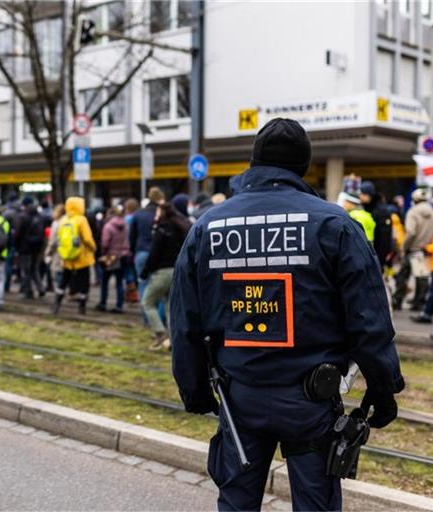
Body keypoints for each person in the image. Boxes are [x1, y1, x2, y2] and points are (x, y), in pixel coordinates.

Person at [170, 119, 404, 512]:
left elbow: (185, 321)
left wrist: (193, 388)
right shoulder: (334, 224)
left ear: (254, 162)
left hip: (238, 394)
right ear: (303, 167)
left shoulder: (208, 226)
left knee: (236, 502)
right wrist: (383, 387)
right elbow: (369, 321)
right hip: (310, 401)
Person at [140, 202, 190, 350]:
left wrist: (144, 272)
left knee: (147, 302)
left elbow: (154, 254)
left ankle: (160, 333)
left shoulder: (161, 230)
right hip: (176, 271)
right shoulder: (181, 228)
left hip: (162, 272)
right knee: (170, 307)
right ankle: (174, 339)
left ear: (162, 213)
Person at [391, 189, 433, 311]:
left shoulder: (412, 212)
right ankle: (419, 302)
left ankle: (398, 300)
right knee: (422, 277)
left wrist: (404, 247)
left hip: (412, 249)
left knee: (403, 276)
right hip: (425, 249)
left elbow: (411, 232)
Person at [52, 197, 97, 315]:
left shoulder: (63, 220)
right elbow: (87, 238)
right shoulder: (81, 220)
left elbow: (59, 238)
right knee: (84, 281)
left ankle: (57, 304)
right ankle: (82, 307)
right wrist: (93, 248)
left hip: (67, 256)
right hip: (82, 256)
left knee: (64, 280)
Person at [129, 187, 166, 319]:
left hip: (141, 253)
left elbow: (132, 237)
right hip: (158, 255)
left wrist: (133, 252)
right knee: (160, 289)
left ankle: (147, 318)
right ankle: (160, 318)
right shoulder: (161, 213)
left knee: (143, 284)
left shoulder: (138, 214)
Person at [97, 205, 131, 313]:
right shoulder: (126, 225)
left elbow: (105, 243)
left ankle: (103, 303)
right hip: (123, 255)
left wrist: (103, 253)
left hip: (110, 257)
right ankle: (119, 305)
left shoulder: (108, 226)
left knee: (104, 281)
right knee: (119, 282)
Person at [16, 196, 46, 299]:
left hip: (25, 248)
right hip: (37, 247)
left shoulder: (22, 216)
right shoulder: (39, 216)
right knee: (35, 269)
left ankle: (28, 292)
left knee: (26, 271)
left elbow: (18, 233)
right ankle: (41, 288)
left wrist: (16, 245)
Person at [360, 181, 393, 271]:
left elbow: (384, 238)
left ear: (368, 195)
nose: (360, 197)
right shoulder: (368, 207)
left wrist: (380, 260)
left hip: (377, 255)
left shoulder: (380, 210)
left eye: (362, 194)